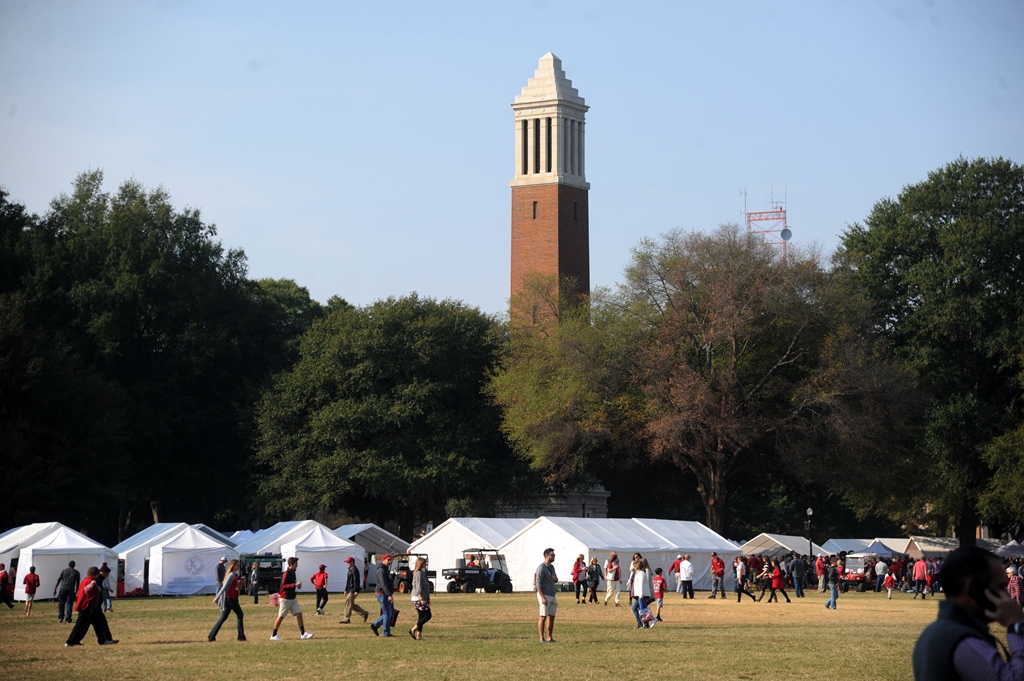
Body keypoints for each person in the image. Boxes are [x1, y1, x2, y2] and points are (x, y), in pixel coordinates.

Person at [912, 546, 1024, 680]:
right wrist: (1017, 626)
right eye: (1000, 587)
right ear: (973, 587)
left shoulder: (936, 631)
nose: (1005, 594)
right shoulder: (963, 641)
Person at [271, 556, 313, 640]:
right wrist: (294, 585)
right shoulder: (286, 574)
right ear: (290, 564)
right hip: (285, 599)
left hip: (292, 598)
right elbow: (283, 586)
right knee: (281, 617)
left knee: (299, 614)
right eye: (295, 564)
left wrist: (297, 586)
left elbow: (291, 585)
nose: (297, 565)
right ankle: (273, 635)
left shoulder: (293, 572)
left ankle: (303, 633)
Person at [208, 558, 246, 642]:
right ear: (233, 566)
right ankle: (241, 636)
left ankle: (211, 636)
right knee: (240, 615)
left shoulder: (234, 575)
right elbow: (224, 587)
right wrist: (217, 597)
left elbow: (236, 587)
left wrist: (242, 582)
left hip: (231, 598)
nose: (239, 567)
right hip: (230, 599)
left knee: (223, 617)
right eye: (237, 565)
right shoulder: (231, 575)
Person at [65, 567, 103, 646]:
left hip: (83, 605)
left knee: (84, 624)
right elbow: (88, 590)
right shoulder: (91, 582)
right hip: (87, 606)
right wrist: (97, 590)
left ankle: (75, 640)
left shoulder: (84, 580)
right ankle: (71, 641)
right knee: (94, 623)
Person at [535, 548, 558, 643]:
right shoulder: (541, 568)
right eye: (552, 555)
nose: (554, 557)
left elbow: (555, 579)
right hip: (544, 594)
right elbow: (538, 583)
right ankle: (541, 638)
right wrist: (543, 597)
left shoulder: (552, 567)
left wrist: (554, 578)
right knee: (543, 616)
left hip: (552, 594)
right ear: (547, 556)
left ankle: (549, 637)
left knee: (551, 617)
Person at [370, 554, 395, 637]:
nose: (390, 562)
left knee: (390, 613)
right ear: (383, 560)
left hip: (386, 593)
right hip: (382, 594)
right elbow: (383, 584)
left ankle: (375, 625)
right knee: (387, 613)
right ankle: (386, 632)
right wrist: (389, 595)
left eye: (390, 560)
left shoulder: (386, 570)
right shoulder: (381, 570)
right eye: (388, 560)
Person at [340, 556, 369, 624]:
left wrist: (356, 590)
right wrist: (345, 590)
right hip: (349, 590)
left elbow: (356, 581)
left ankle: (346, 618)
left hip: (353, 590)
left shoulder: (355, 570)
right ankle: (364, 613)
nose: (347, 563)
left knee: (348, 603)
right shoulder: (350, 570)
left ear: (352, 562)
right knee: (351, 605)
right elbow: (348, 581)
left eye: (348, 562)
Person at [409, 556, 431, 640]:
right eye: (425, 563)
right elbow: (418, 587)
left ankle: (419, 635)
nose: (426, 565)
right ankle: (413, 629)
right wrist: (421, 598)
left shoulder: (422, 573)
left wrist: (428, 599)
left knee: (421, 616)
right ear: (421, 564)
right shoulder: (418, 574)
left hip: (422, 597)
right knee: (428, 615)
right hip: (418, 598)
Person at [630, 558, 653, 628]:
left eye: (635, 565)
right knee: (634, 608)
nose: (634, 567)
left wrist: (641, 595)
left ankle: (645, 624)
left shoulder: (641, 574)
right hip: (639, 594)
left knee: (642, 610)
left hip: (641, 594)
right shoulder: (639, 573)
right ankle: (640, 623)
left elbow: (641, 585)